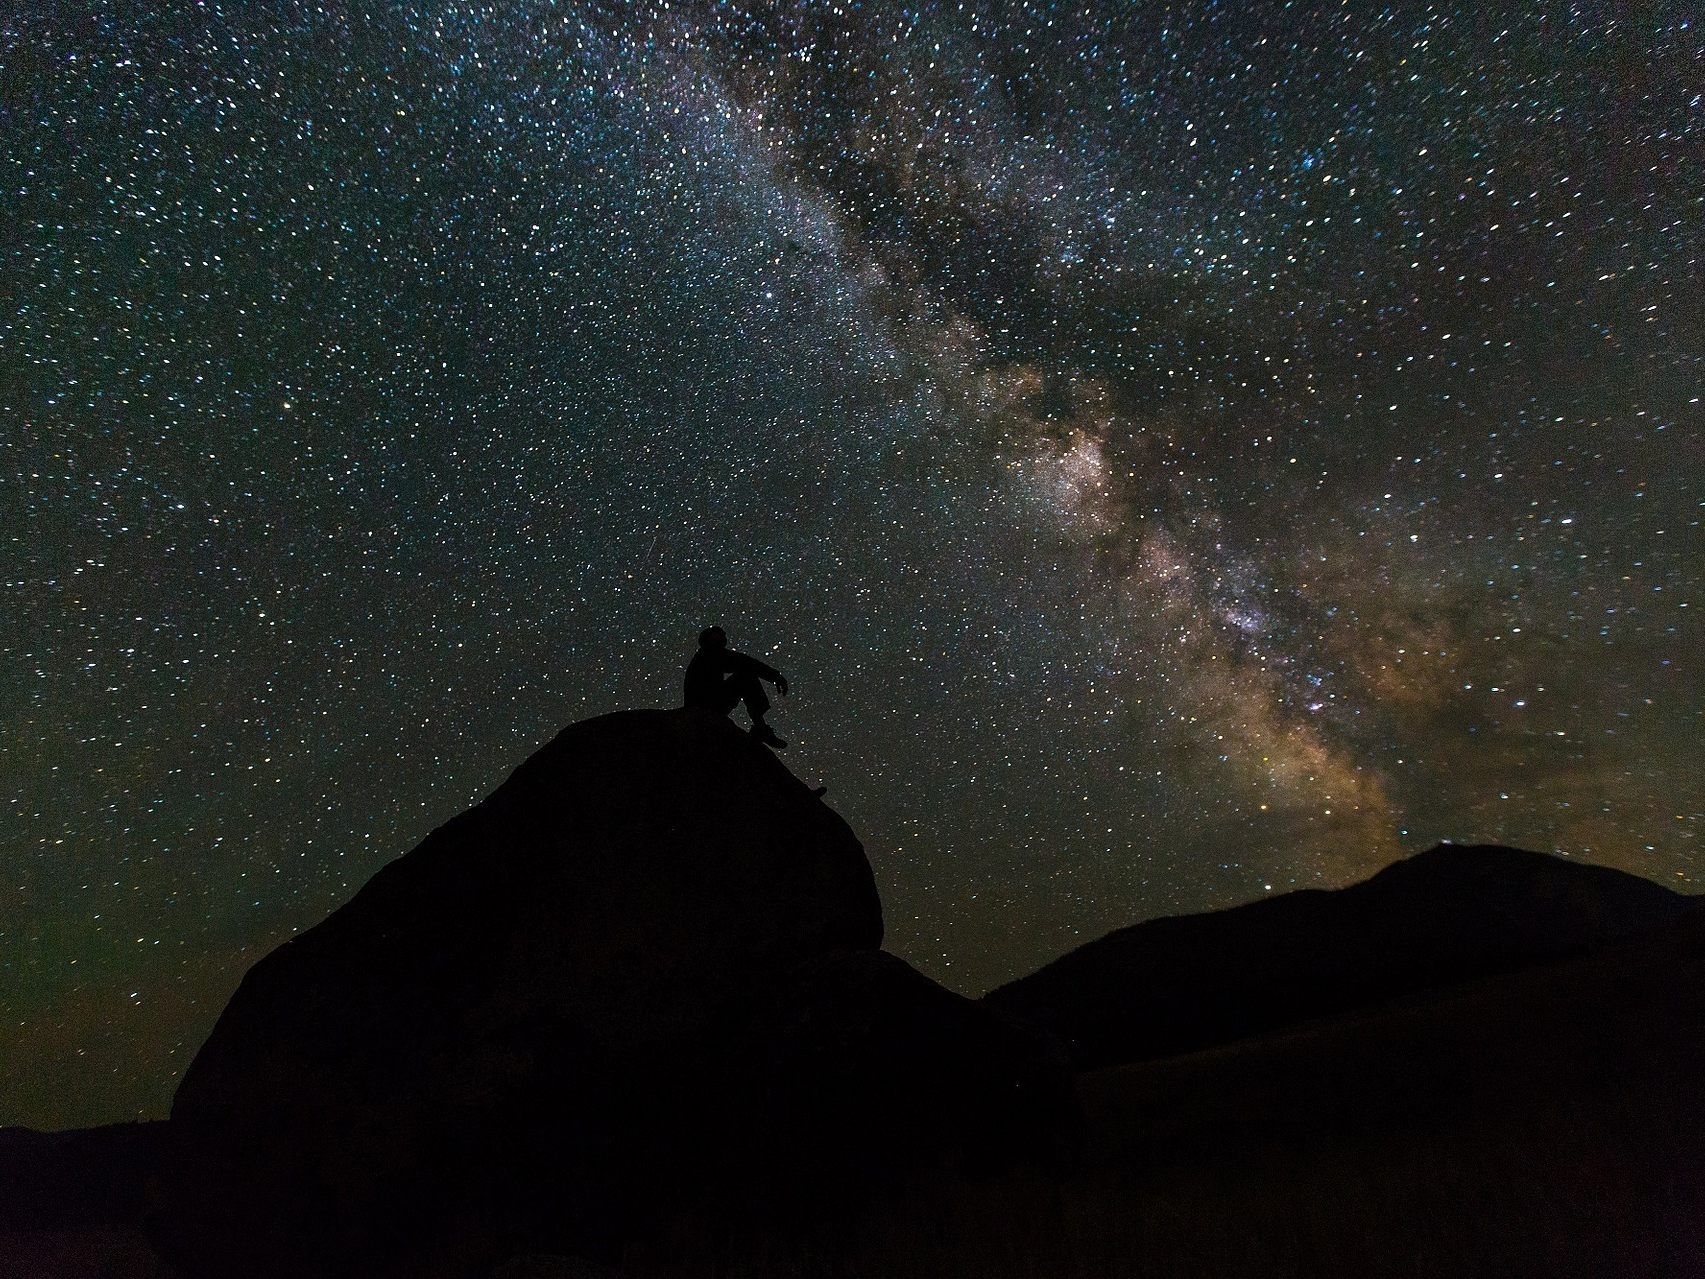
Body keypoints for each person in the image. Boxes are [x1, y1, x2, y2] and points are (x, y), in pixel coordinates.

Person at [683, 626, 790, 749]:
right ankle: (760, 728)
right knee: (746, 677)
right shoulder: (711, 654)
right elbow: (746, 663)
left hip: (704, 706)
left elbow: (743, 662)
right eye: (719, 634)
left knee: (746, 675)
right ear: (710, 639)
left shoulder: (705, 655)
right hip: (705, 708)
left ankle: (761, 728)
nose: (724, 635)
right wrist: (775, 676)